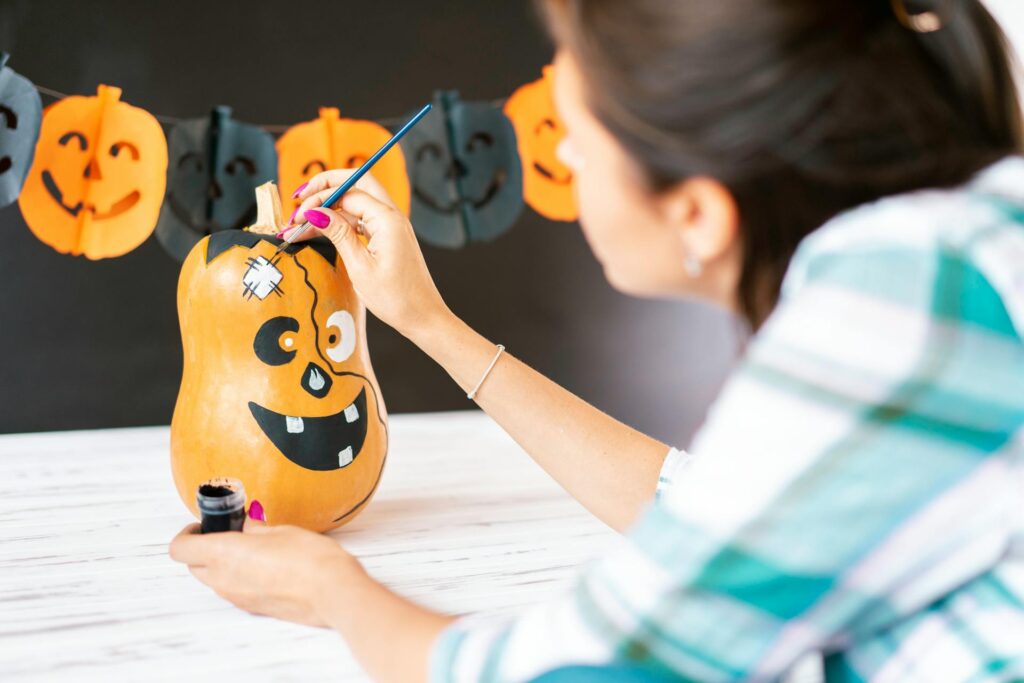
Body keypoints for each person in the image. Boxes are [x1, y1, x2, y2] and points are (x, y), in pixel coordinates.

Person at [169, 0, 1024, 680]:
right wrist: (427, 320)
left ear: (696, 212)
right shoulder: (950, 258)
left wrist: (330, 590)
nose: (563, 161)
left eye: (575, 140)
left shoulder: (896, 315)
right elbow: (702, 510)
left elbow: (578, 671)